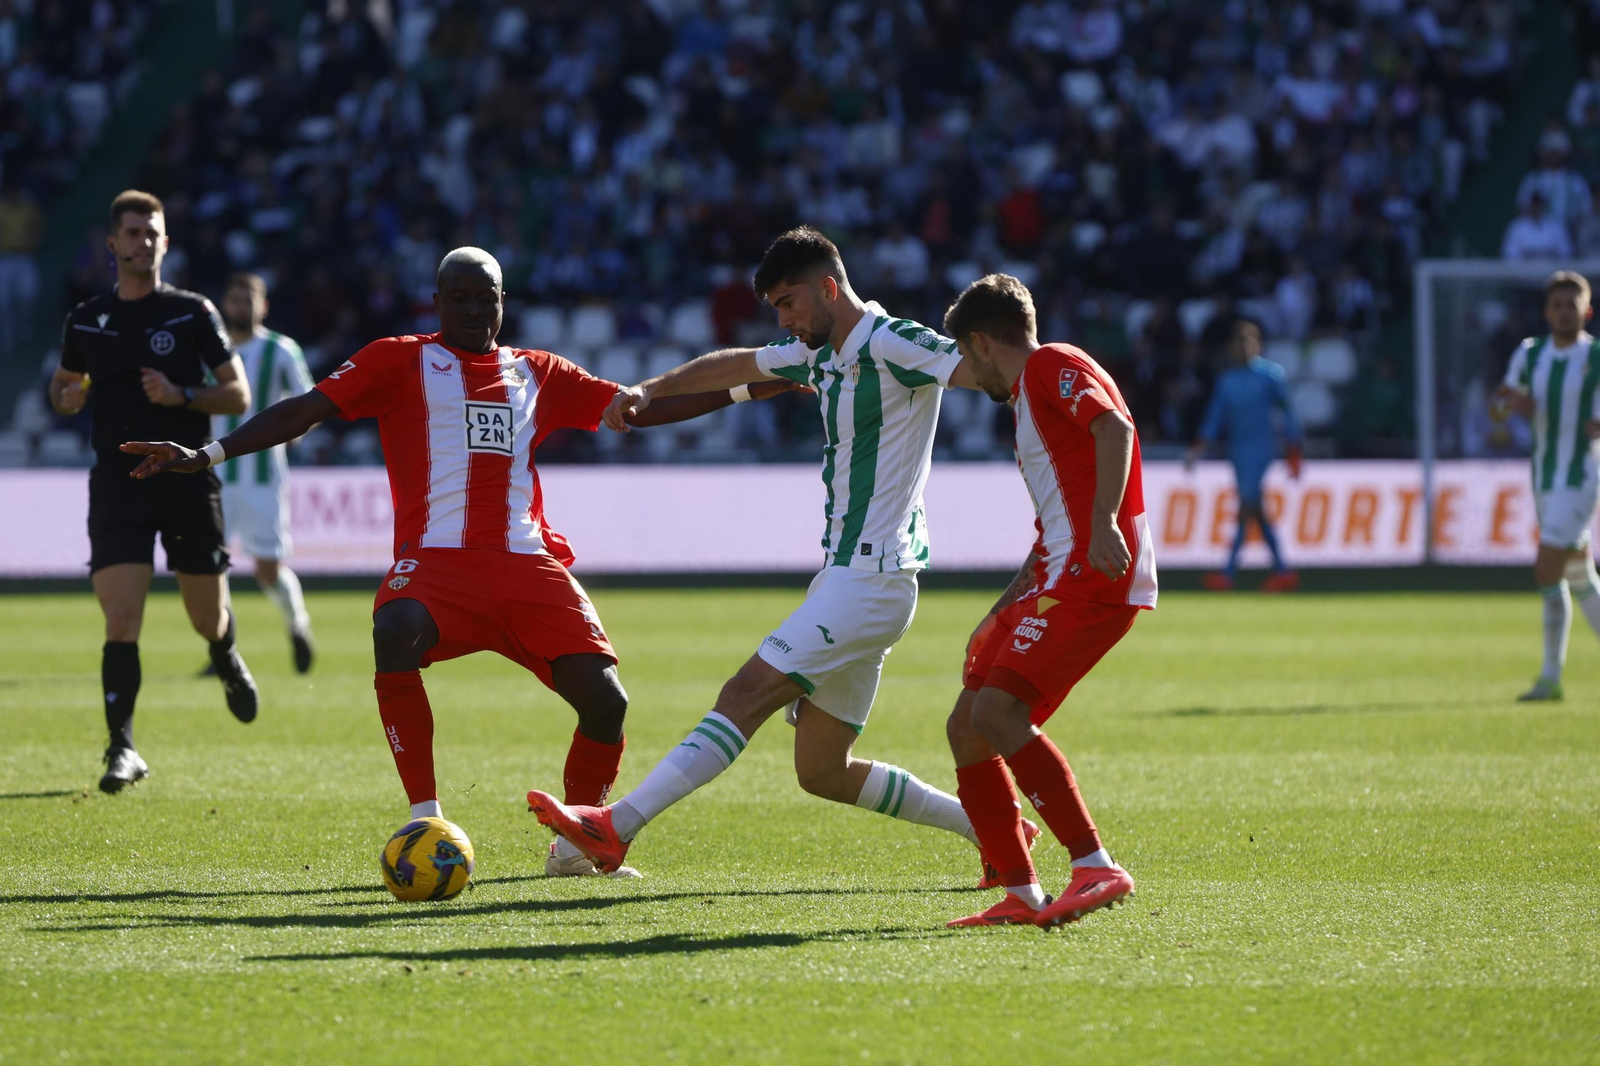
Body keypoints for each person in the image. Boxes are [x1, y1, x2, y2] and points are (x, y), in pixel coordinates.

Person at [123, 247, 795, 878]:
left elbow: (636, 411)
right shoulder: (397, 360)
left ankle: (574, 845)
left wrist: (745, 391)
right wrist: (204, 455)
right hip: (437, 564)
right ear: (437, 302)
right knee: (393, 631)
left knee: (606, 701)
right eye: (462, 300)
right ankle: (425, 818)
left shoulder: (540, 372)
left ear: (503, 303)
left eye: (488, 300)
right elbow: (304, 412)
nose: (475, 312)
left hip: (526, 562)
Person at [528, 226, 1030, 884]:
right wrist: (650, 388)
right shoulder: (820, 357)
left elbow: (985, 372)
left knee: (745, 691)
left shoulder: (893, 342)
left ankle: (614, 827)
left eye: (790, 303)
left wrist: (1037, 374)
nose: (785, 320)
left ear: (828, 287)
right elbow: (735, 365)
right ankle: (993, 827)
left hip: (874, 578)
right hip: (847, 580)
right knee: (822, 770)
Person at [939, 274, 1156, 928]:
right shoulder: (1030, 403)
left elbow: (1113, 427)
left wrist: (1103, 524)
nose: (973, 378)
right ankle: (1022, 890)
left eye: (968, 360)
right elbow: (1048, 533)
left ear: (980, 341)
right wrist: (999, 611)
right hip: (1059, 574)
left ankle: (1095, 866)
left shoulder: (1047, 365)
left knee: (1000, 711)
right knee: (968, 721)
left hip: (1092, 575)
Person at [48, 189, 259, 794]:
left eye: (153, 232)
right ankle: (123, 747)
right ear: (112, 244)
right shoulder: (86, 318)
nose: (143, 241)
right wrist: (65, 397)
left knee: (205, 617)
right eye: (132, 232)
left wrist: (182, 395)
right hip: (117, 486)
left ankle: (223, 650)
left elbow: (237, 394)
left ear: (165, 243)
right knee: (121, 619)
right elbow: (64, 386)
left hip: (185, 480)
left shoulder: (193, 313)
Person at [1494, 271, 1600, 701]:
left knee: (1545, 569)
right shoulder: (1529, 354)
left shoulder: (1596, 357)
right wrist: (1507, 405)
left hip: (1580, 476)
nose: (1563, 313)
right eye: (1556, 306)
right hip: (1542, 475)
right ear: (1546, 312)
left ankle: (1549, 676)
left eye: (1570, 306)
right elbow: (1497, 403)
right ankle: (1551, 678)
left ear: (1586, 312)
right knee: (1580, 577)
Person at [208, 273, 317, 674]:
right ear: (225, 305)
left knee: (267, 568)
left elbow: (311, 403)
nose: (241, 307)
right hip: (214, 477)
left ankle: (298, 626)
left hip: (262, 477)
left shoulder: (281, 350)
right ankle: (222, 648)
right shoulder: (208, 352)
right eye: (234, 300)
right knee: (210, 565)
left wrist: (296, 434)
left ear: (263, 306)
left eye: (248, 300)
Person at [1186, 321, 1302, 591]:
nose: (1243, 348)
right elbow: (1215, 417)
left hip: (1262, 449)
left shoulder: (1272, 376)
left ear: (1258, 345)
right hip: (1238, 451)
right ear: (1231, 348)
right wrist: (1199, 447)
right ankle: (1283, 571)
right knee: (1254, 510)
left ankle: (1228, 572)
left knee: (1247, 505)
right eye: (1238, 343)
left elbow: (1288, 413)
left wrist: (1294, 447)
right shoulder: (1227, 381)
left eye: (1248, 343)